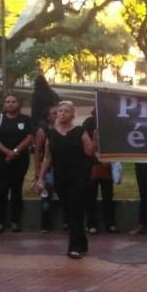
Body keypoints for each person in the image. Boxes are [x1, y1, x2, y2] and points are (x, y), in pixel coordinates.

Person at [35, 101, 96, 258]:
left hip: (79, 176)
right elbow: (48, 157)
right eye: (60, 111)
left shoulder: (79, 131)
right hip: (61, 178)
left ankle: (73, 247)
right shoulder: (52, 134)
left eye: (66, 111)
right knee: (69, 211)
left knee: (76, 210)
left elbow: (89, 152)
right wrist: (41, 177)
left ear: (72, 114)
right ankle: (82, 242)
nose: (62, 113)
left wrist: (95, 138)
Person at [0, 93, 35, 233]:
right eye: (8, 101)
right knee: (2, 190)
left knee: (16, 190)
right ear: (4, 104)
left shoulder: (25, 119)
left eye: (13, 101)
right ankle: (0, 222)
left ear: (18, 104)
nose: (10, 104)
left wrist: (15, 151)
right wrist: (6, 152)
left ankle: (15, 221)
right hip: (3, 159)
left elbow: (29, 136)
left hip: (20, 159)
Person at [84, 109, 117, 235]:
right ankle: (92, 224)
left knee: (108, 195)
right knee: (91, 195)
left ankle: (110, 224)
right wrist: (98, 157)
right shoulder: (89, 122)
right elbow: (87, 143)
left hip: (106, 163)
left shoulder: (110, 122)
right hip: (92, 162)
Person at [34, 105, 62, 233]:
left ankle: (67, 222)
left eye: (60, 112)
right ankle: (45, 225)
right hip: (48, 170)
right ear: (48, 117)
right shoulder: (43, 131)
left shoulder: (67, 130)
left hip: (62, 168)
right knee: (46, 198)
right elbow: (38, 152)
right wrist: (37, 170)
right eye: (55, 113)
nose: (58, 115)